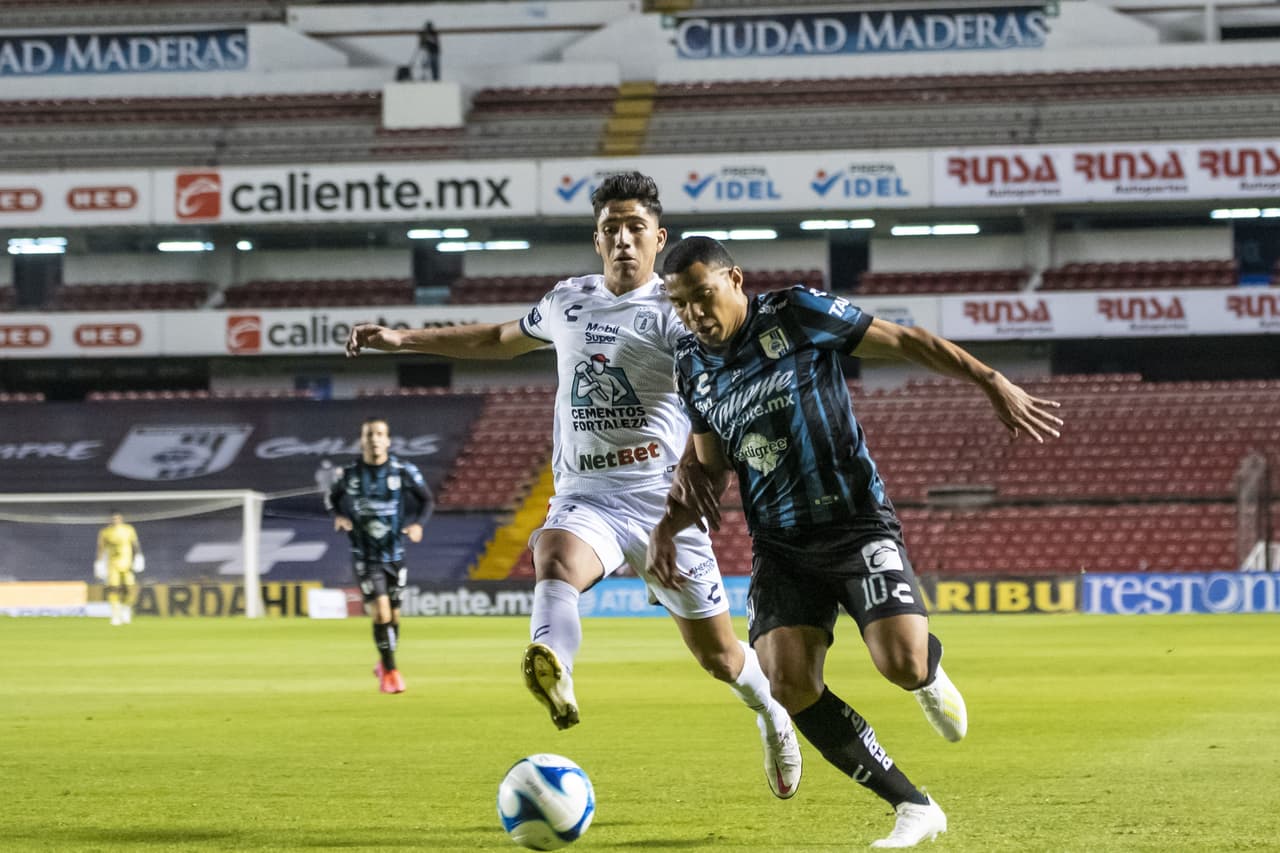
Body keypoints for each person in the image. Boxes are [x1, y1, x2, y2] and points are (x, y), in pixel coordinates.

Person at [345, 172, 802, 799]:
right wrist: (404, 336)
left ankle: (772, 712)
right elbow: (499, 338)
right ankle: (552, 661)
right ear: (596, 239)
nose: (622, 238)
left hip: (663, 504)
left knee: (721, 658)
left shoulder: (675, 315)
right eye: (611, 227)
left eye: (635, 227)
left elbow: (722, 385)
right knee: (553, 555)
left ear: (658, 237)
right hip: (587, 496)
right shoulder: (567, 301)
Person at [649, 236, 1063, 848]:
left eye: (703, 296)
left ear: (735, 279)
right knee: (787, 682)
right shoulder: (691, 364)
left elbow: (906, 341)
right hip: (781, 546)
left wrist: (989, 379)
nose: (694, 315)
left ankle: (927, 668)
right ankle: (913, 806)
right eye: (680, 304)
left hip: (853, 520)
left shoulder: (794, 314)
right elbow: (709, 466)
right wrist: (669, 520)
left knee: (901, 663)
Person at [326, 417, 433, 694]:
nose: (374, 438)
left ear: (387, 440)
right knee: (381, 612)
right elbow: (332, 498)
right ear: (362, 441)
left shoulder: (402, 470)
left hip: (395, 553)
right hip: (365, 554)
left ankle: (383, 662)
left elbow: (427, 500)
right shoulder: (349, 474)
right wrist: (339, 517)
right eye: (369, 434)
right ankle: (391, 673)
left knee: (394, 618)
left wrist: (418, 524)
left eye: (380, 434)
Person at [95, 510, 143, 626]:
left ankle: (126, 608)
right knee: (114, 589)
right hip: (112, 565)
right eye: (113, 519)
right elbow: (101, 548)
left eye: (117, 518)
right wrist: (99, 563)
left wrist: (139, 557)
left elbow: (135, 544)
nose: (115, 521)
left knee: (131, 588)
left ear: (121, 519)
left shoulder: (128, 529)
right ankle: (115, 615)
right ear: (110, 520)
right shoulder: (105, 532)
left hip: (127, 564)